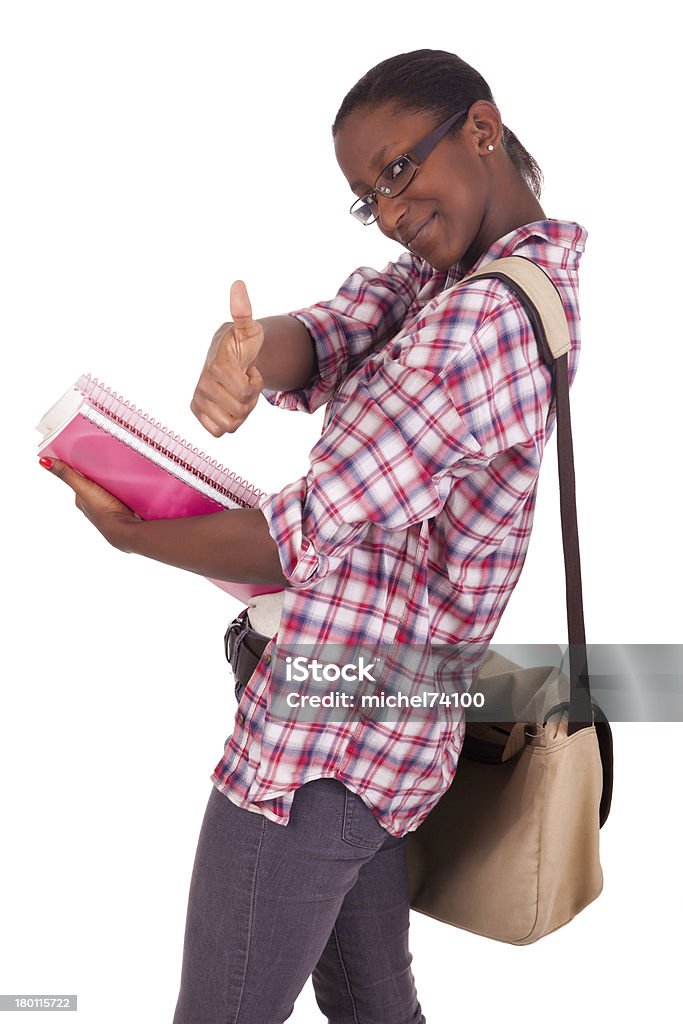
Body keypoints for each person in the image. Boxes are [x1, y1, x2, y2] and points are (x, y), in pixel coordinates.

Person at [40, 49, 587, 1024]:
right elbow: (345, 325)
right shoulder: (473, 280)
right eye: (365, 196)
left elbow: (300, 536)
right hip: (383, 731)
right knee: (372, 1002)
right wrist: (255, 353)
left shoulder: (478, 328)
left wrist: (138, 536)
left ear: (480, 128)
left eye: (396, 171)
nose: (387, 210)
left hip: (324, 741)